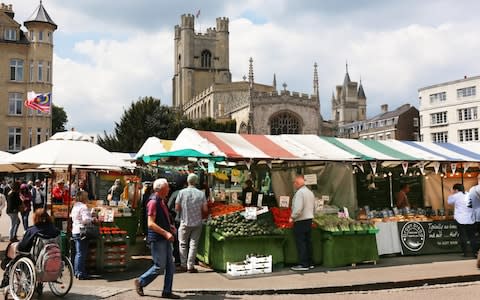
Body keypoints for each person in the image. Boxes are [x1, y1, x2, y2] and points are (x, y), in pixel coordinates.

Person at [134, 178, 179, 299]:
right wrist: (166, 233)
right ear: (161, 189)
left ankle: (167, 291)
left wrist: (169, 227)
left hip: (163, 237)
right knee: (159, 266)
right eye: (167, 187)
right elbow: (151, 223)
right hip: (158, 238)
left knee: (170, 265)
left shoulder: (161, 201)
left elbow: (161, 218)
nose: (169, 189)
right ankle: (141, 281)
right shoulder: (154, 202)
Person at [0, 208, 60, 288]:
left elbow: (22, 247)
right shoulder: (54, 229)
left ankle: (7, 280)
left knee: (13, 255)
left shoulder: (33, 230)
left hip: (34, 258)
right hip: (49, 255)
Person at [175, 174, 208, 273]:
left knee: (183, 244)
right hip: (197, 222)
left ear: (187, 181)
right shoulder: (201, 194)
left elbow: (177, 208)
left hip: (184, 221)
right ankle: (191, 266)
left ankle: (183, 265)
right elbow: (205, 209)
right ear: (196, 182)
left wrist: (183, 210)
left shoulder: (181, 193)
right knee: (193, 245)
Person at [289, 174, 315, 271]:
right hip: (309, 219)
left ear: (298, 183)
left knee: (301, 242)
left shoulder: (300, 193)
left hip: (300, 220)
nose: (294, 184)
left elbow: (298, 208)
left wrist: (292, 217)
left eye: (295, 183)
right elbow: (314, 206)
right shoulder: (310, 192)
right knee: (308, 241)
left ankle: (303, 264)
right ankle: (310, 262)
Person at [448, 183, 477, 258]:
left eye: (454, 190)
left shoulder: (456, 195)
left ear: (456, 190)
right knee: (472, 236)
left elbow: (449, 201)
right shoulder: (469, 194)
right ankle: (475, 253)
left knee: (463, 236)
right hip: (470, 219)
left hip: (460, 219)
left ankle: (466, 253)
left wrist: (451, 193)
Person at [70, 191, 95, 280]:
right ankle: (80, 273)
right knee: (81, 253)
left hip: (75, 230)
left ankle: (77, 271)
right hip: (82, 231)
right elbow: (86, 220)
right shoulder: (83, 207)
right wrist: (92, 218)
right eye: (86, 196)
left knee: (78, 253)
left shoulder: (75, 206)